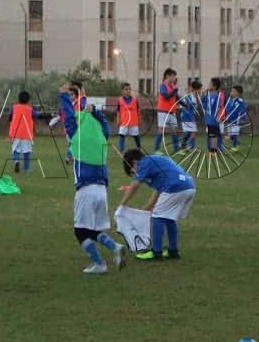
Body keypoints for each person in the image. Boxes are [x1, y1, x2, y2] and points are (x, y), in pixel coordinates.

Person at [60, 83, 125, 274]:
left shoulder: (76, 133)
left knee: (80, 232)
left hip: (85, 189)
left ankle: (100, 263)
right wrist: (94, 110)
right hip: (102, 190)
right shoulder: (101, 133)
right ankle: (116, 248)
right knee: (94, 231)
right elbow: (105, 124)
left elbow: (69, 118)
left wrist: (63, 96)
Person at [120, 149, 196, 261]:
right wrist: (144, 211)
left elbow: (135, 186)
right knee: (169, 217)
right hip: (189, 186)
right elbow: (156, 195)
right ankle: (173, 251)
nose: (134, 175)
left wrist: (122, 206)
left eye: (132, 171)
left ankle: (156, 252)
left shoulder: (144, 163)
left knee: (157, 216)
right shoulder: (156, 163)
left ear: (135, 162)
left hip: (175, 186)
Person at [8, 91, 40, 174]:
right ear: (28, 100)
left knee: (15, 149)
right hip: (27, 133)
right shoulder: (30, 109)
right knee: (27, 151)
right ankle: (26, 168)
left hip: (15, 132)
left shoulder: (14, 107)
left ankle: (16, 161)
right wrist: (49, 115)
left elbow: (10, 117)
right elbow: (37, 115)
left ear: (18, 99)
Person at [154, 69, 180, 153]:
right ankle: (156, 150)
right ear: (168, 76)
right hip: (163, 111)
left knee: (175, 129)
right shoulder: (163, 86)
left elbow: (176, 98)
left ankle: (176, 149)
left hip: (172, 111)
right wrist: (174, 91)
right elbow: (166, 96)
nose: (174, 78)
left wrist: (186, 104)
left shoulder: (172, 86)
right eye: (173, 76)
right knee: (161, 130)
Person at [115, 82, 143, 153]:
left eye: (129, 89)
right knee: (121, 135)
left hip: (133, 121)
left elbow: (138, 110)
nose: (128, 91)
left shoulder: (135, 100)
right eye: (126, 89)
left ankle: (139, 148)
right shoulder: (120, 100)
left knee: (136, 136)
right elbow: (118, 111)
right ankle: (121, 150)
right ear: (123, 91)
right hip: (124, 122)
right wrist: (118, 119)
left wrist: (140, 119)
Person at [178, 79, 204, 152]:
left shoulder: (196, 96)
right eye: (199, 89)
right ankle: (191, 147)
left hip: (190, 116)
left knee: (189, 133)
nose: (200, 91)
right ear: (195, 89)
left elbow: (199, 105)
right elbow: (184, 106)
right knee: (191, 132)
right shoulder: (189, 96)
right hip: (186, 116)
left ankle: (184, 145)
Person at [223, 85, 248, 152]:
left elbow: (242, 110)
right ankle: (237, 142)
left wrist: (240, 119)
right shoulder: (231, 101)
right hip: (230, 121)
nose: (231, 92)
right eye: (231, 90)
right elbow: (227, 109)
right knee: (231, 135)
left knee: (234, 134)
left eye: (233, 91)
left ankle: (235, 147)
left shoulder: (239, 101)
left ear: (238, 93)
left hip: (236, 121)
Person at [203, 77, 224, 154]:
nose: (208, 85)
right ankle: (215, 149)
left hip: (213, 120)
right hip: (208, 119)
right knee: (211, 134)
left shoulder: (217, 96)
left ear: (214, 86)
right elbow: (204, 105)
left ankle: (214, 150)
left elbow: (219, 107)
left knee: (213, 135)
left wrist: (218, 116)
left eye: (210, 84)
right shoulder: (207, 95)